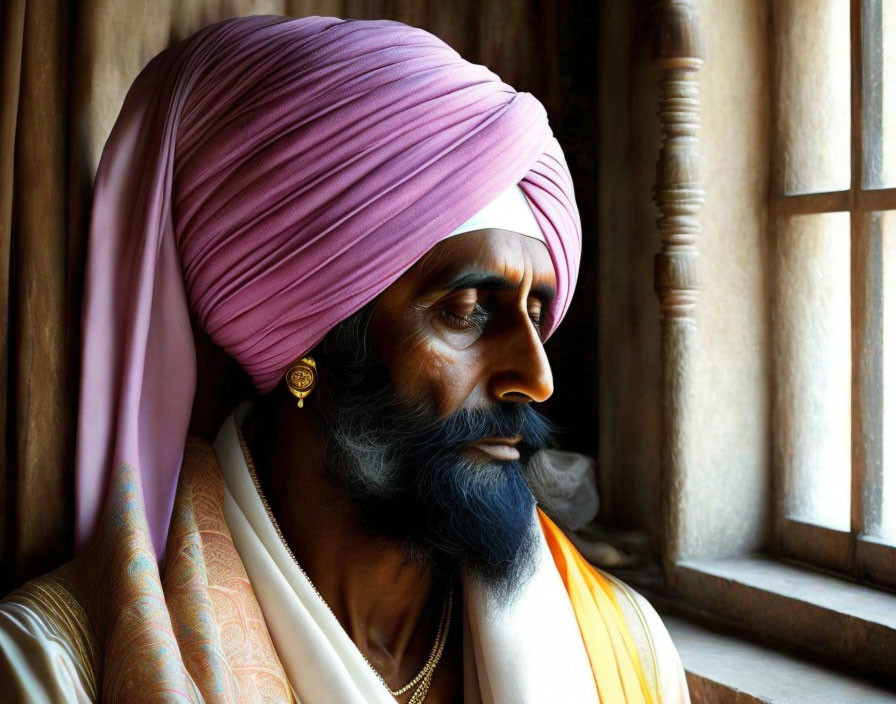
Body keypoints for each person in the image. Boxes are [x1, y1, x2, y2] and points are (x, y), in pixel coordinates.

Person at [0, 15, 689, 704]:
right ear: (308, 346)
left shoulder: (625, 649)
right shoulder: (56, 670)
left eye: (536, 313)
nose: (536, 379)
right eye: (465, 310)